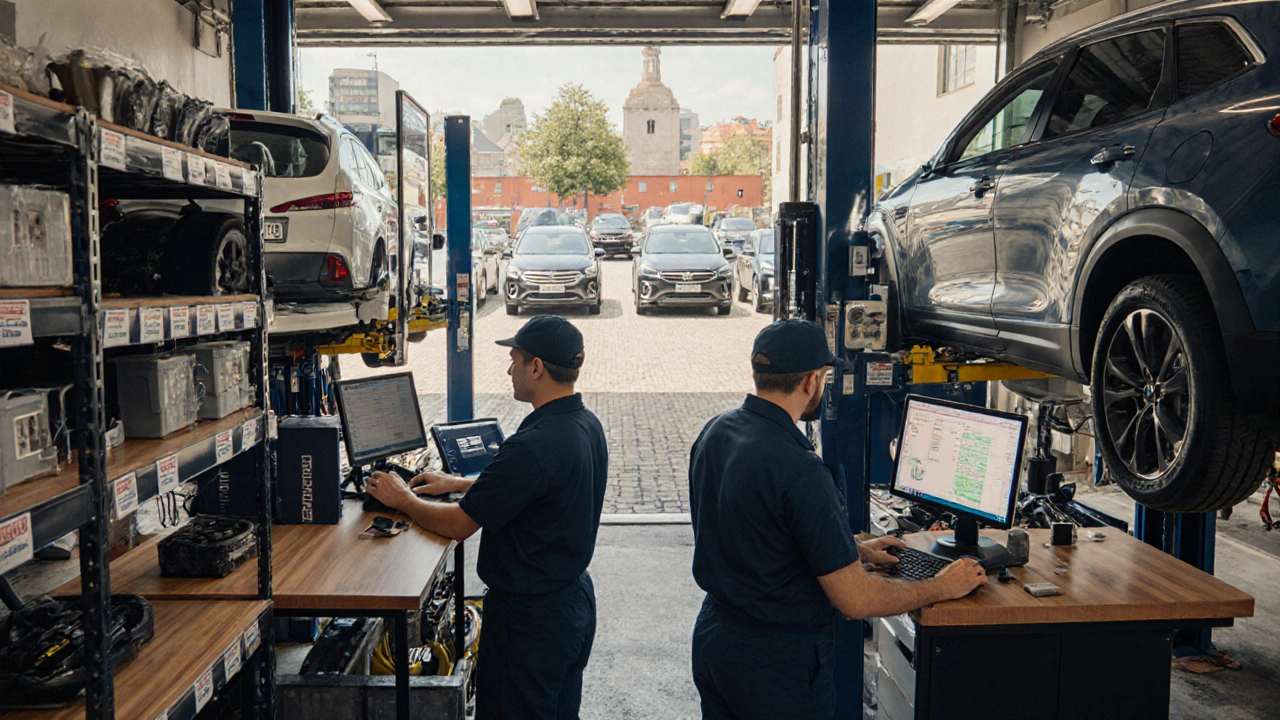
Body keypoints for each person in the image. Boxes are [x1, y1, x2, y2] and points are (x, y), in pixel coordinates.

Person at [688, 319, 988, 720]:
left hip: (715, 640)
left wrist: (853, 550)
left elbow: (753, 531)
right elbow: (855, 601)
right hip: (775, 666)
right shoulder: (800, 469)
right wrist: (939, 586)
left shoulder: (717, 432)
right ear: (811, 381)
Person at [365, 315, 608, 720]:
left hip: (530, 620)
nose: (509, 369)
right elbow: (530, 491)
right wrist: (457, 482)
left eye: (514, 360)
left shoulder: (533, 444)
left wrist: (403, 497)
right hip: (572, 603)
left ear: (537, 367)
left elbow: (460, 526)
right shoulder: (584, 424)